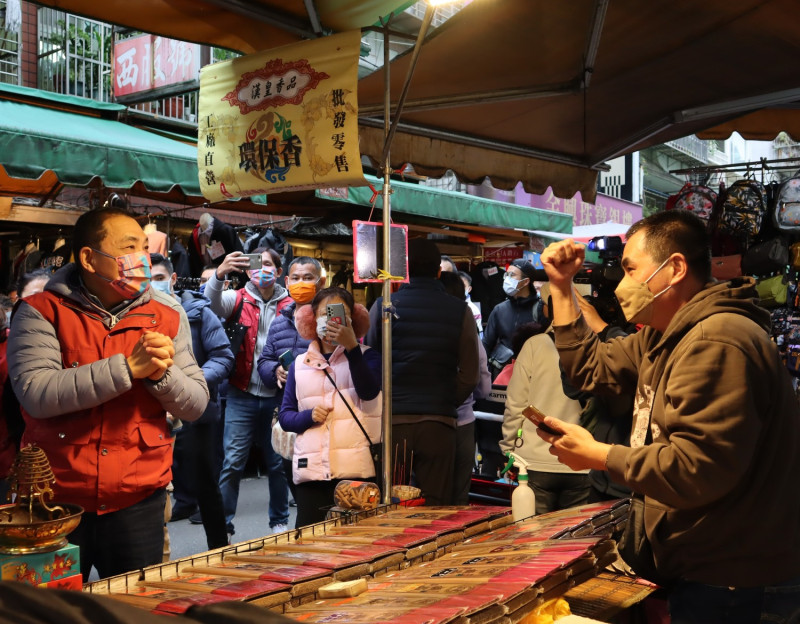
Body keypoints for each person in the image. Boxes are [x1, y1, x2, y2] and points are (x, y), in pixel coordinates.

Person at [539, 210, 800, 622]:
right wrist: (560, 285)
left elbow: (698, 466)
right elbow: (592, 368)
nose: (621, 284)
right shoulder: (664, 335)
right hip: (704, 568)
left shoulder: (717, 339)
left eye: (630, 269)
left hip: (736, 579)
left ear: (674, 268)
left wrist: (601, 455)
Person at [7, 208, 208, 581]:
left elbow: (196, 403)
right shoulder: (40, 312)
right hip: (56, 503)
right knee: (53, 610)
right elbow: (37, 392)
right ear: (88, 258)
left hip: (138, 499)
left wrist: (162, 374)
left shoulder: (167, 314)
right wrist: (127, 369)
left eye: (144, 248)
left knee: (134, 609)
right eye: (129, 247)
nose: (142, 259)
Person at [365, 238, 480, 505]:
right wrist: (447, 400)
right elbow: (470, 374)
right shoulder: (460, 310)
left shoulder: (384, 306)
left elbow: (371, 359)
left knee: (394, 500)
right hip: (438, 425)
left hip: (394, 423)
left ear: (404, 269)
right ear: (438, 271)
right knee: (436, 503)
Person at [205, 248, 292, 536]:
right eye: (257, 264)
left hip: (278, 397)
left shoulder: (292, 304)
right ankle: (224, 525)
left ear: (279, 272)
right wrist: (220, 273)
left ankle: (279, 522)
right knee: (232, 463)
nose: (262, 269)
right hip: (242, 393)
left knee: (277, 464)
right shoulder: (238, 298)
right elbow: (209, 304)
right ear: (247, 270)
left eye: (269, 264)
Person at [279, 287, 381, 527]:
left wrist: (352, 348)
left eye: (340, 313)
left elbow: (369, 392)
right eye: (325, 313)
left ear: (352, 319)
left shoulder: (368, 356)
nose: (332, 319)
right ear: (312, 319)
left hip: (356, 472)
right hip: (311, 472)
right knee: (309, 544)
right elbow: (285, 417)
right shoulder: (298, 364)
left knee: (357, 545)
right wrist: (309, 417)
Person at [151, 254, 233, 550]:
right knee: (155, 487)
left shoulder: (198, 312)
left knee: (206, 484)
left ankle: (219, 547)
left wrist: (192, 381)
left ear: (172, 279)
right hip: (152, 417)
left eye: (158, 278)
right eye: (147, 278)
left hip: (196, 410)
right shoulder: (135, 315)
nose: (152, 284)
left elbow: (223, 357)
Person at [499, 318, 590, 515]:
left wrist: (509, 448)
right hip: (584, 461)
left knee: (533, 539)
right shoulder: (598, 345)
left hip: (535, 461)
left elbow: (516, 404)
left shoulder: (535, 344)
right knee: (577, 543)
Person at [256, 256, 324, 505]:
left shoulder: (327, 319)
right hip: (287, 411)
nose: (300, 283)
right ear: (286, 281)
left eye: (307, 278)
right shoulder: (279, 322)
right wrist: (275, 371)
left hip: (319, 412)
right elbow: (263, 361)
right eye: (295, 278)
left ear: (320, 282)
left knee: (314, 481)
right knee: (288, 469)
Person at [439, 271, 491, 506]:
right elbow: (483, 386)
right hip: (463, 423)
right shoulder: (469, 329)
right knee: (459, 494)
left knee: (428, 495)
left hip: (428, 421)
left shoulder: (425, 327)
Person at [482, 258, 542, 377]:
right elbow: (486, 344)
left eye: (512, 275)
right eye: (506, 274)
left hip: (533, 375)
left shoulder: (541, 309)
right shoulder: (500, 309)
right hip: (502, 375)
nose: (507, 278)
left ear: (525, 282)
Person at [459, 271, 483, 337]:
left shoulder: (473, 309)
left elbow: (479, 336)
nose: (459, 288)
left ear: (469, 289)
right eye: (457, 285)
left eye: (463, 286)